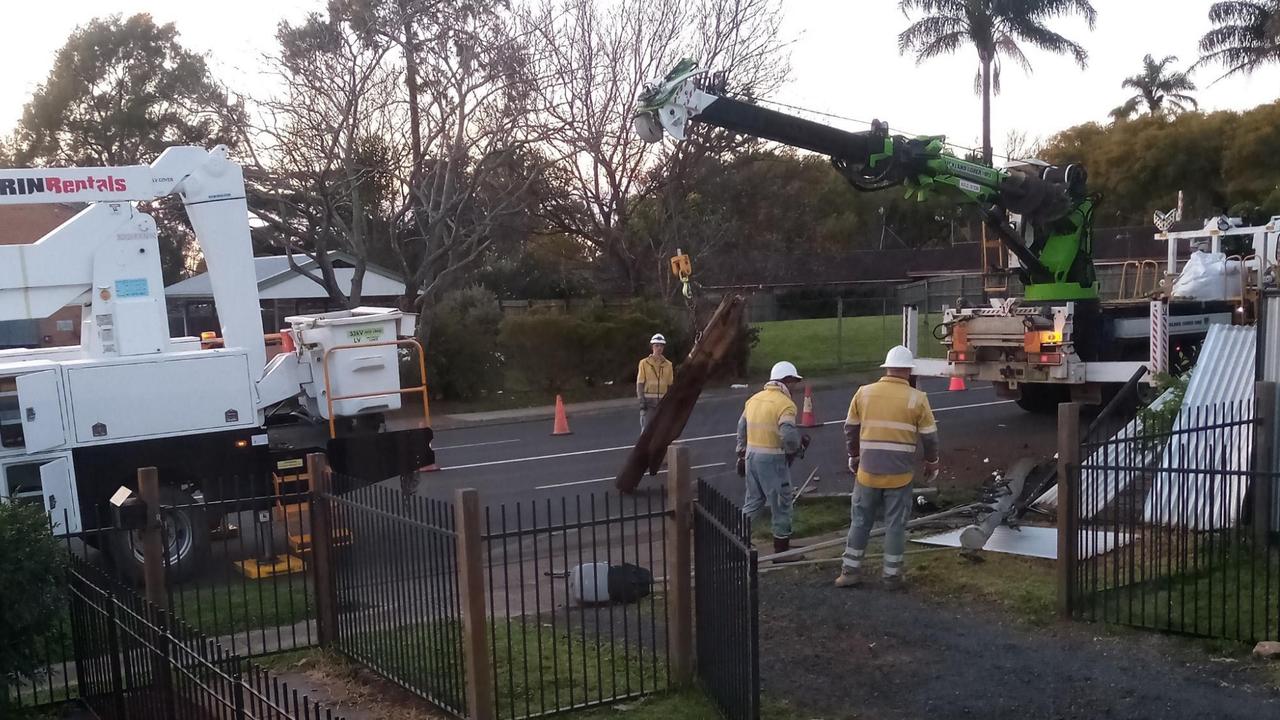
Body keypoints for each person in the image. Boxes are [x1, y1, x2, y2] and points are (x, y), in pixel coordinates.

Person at [836, 345, 940, 590]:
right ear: (908, 371)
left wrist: (853, 455)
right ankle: (891, 576)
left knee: (860, 521)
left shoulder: (864, 393)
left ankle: (849, 571)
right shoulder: (917, 398)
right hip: (900, 475)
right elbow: (930, 437)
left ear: (887, 368)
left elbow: (850, 428)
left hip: (867, 472)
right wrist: (931, 461)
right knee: (895, 525)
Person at [736, 361, 810, 559]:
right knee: (782, 502)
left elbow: (741, 427)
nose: (795, 386)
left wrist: (741, 452)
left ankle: (736, 544)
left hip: (751, 456)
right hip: (772, 459)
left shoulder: (754, 399)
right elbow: (788, 433)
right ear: (786, 380)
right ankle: (782, 550)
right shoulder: (785, 404)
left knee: (754, 501)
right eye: (794, 381)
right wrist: (797, 449)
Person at [636, 333, 673, 431]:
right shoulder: (644, 363)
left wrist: (669, 401)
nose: (659, 348)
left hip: (663, 403)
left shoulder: (668, 365)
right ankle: (645, 447)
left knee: (662, 430)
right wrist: (641, 401)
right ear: (652, 347)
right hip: (648, 403)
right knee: (646, 429)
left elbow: (670, 385)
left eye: (661, 346)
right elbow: (640, 383)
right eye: (656, 345)